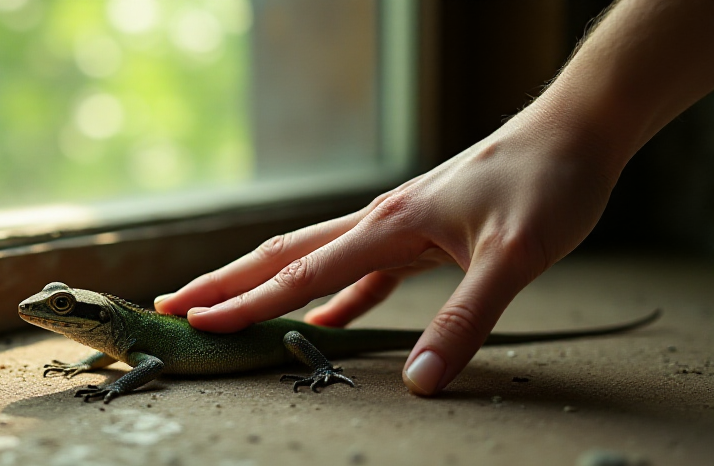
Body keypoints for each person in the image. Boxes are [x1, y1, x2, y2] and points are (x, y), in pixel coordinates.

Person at [152, 0, 714, 396]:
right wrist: (580, 131)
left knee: (308, 328)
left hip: (300, 344)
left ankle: (326, 368)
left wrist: (577, 131)